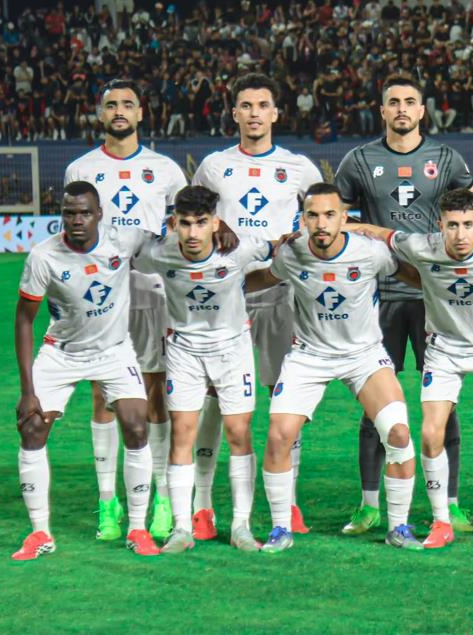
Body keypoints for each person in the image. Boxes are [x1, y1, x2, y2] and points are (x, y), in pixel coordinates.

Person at [352, 188, 473, 549]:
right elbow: (382, 234)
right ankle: (441, 521)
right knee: (430, 434)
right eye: (452, 225)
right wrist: (347, 226)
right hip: (445, 349)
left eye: (468, 225)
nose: (460, 234)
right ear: (439, 225)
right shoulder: (421, 246)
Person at [334, 74, 473, 536]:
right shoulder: (359, 160)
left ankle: (451, 503)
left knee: (444, 400)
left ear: (423, 110)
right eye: (393, 102)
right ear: (382, 111)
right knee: (375, 404)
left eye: (410, 102)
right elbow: (338, 216)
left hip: (434, 298)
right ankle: (369, 505)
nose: (401, 108)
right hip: (379, 298)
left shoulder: (445, 158)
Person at [245, 183, 422, 552]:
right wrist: (222, 284)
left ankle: (400, 526)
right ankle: (281, 528)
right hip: (309, 356)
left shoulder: (370, 253)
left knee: (400, 435)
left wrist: (445, 288)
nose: (321, 224)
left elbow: (408, 273)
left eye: (329, 215)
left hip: (363, 356)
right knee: (279, 435)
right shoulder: (291, 254)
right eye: (313, 215)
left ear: (345, 218)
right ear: (303, 219)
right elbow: (264, 278)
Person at [192, 73, 322, 539]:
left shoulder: (299, 168)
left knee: (285, 396)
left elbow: (321, 220)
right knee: (211, 398)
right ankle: (202, 505)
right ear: (234, 113)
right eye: (245, 105)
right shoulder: (212, 167)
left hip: (282, 295)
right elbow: (193, 217)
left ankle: (288, 503)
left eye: (262, 105)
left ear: (275, 113)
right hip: (222, 298)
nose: (253, 113)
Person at [63, 78, 187, 543]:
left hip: (154, 294)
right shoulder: (81, 167)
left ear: (141, 112)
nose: (120, 111)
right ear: (100, 113)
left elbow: (179, 232)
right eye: (111, 104)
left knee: (154, 393)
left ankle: (157, 497)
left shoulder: (167, 170)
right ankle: (107, 502)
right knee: (104, 395)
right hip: (100, 295)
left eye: (128, 104)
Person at [13, 181, 159, 560]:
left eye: (84, 213)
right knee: (32, 426)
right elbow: (25, 320)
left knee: (136, 423)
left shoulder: (122, 241)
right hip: (61, 352)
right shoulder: (44, 256)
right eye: (69, 213)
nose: (76, 220)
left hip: (113, 351)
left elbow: (168, 234)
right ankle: (40, 532)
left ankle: (138, 528)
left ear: (99, 215)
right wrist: (27, 389)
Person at [131, 185, 271, 554]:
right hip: (184, 352)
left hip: (232, 350)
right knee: (182, 433)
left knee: (239, 433)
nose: (192, 233)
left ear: (215, 222)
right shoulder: (160, 252)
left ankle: (241, 525)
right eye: (185, 224)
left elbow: (282, 247)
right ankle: (181, 528)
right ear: (173, 223)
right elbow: (125, 250)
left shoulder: (240, 249)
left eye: (201, 223)